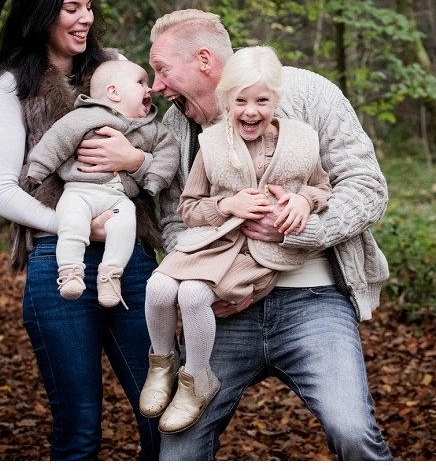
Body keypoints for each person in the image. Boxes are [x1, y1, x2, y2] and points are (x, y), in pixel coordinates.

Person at [145, 9, 393, 460]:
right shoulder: (177, 126)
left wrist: (298, 228)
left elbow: (366, 186)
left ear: (204, 60)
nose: (156, 85)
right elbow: (175, 220)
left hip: (313, 301)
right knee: (179, 448)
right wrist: (207, 276)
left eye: (162, 69)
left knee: (352, 429)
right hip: (223, 311)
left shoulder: (308, 93)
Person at [0, 0, 162, 460]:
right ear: (42, 13)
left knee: (164, 416)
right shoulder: (12, 86)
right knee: (79, 431)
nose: (86, 18)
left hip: (133, 261)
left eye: (89, 6)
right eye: (71, 8)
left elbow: (163, 151)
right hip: (56, 263)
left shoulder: (114, 70)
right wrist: (77, 225)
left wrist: (137, 160)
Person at [140, 46, 332, 435]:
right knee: (158, 286)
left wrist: (302, 199)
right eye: (240, 100)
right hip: (212, 243)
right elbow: (189, 207)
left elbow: (322, 188)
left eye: (262, 100)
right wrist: (227, 204)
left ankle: (196, 379)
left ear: (276, 100)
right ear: (225, 100)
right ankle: (161, 362)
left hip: (258, 256)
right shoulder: (210, 144)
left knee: (193, 296)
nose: (250, 111)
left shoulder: (302, 141)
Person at [26, 60, 179, 308]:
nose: (149, 89)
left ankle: (111, 275)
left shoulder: (152, 129)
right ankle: (70, 271)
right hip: (79, 191)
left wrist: (153, 181)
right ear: (114, 92)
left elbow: (168, 152)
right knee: (73, 223)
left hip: (119, 198)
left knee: (125, 225)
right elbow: (57, 140)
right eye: (141, 83)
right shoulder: (84, 117)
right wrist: (39, 168)